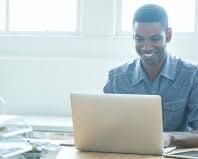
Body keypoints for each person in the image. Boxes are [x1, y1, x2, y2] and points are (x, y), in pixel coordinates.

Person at [103, 4, 198, 148]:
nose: (146, 47)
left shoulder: (191, 76)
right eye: (139, 39)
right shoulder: (116, 78)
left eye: (155, 39)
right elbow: (103, 129)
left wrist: (170, 137)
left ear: (168, 35)